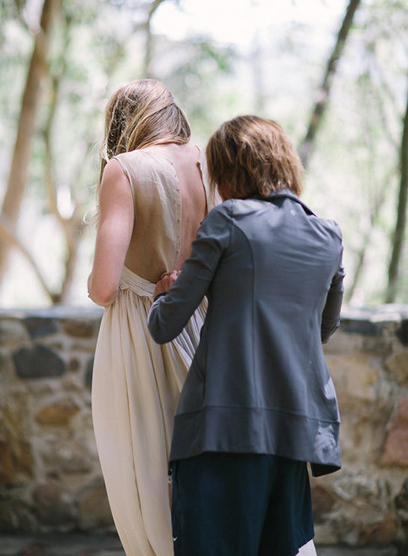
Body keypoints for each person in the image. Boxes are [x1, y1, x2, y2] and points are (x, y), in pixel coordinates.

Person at [148, 115, 345, 556]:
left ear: (228, 171)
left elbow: (165, 326)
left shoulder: (227, 221)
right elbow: (323, 329)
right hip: (293, 433)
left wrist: (162, 296)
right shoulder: (328, 235)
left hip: (222, 430)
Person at [87, 79, 216, 556]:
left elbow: (103, 288)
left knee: (146, 473)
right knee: (203, 466)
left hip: (138, 338)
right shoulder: (209, 164)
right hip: (203, 329)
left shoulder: (124, 170)